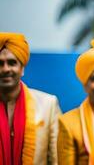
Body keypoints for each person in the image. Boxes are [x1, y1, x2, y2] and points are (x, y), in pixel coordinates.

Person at [0, 32, 61, 165]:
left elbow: (57, 159)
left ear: (22, 68)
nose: (5, 69)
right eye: (0, 63)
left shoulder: (48, 104)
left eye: (12, 63)